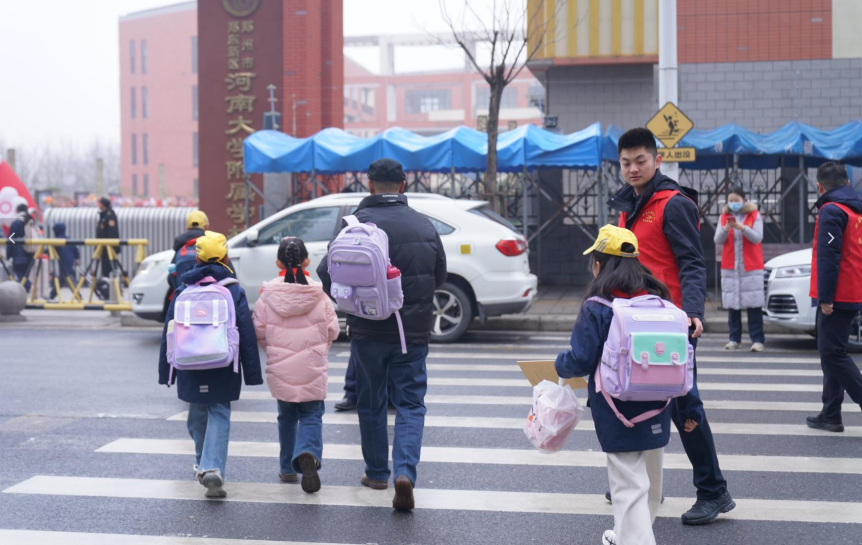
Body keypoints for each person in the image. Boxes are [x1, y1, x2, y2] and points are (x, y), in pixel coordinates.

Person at [607, 128, 734, 525]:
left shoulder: (672, 203)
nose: (632, 168)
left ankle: (713, 491)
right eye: (626, 163)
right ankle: (642, 484)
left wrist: (693, 311)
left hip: (670, 324)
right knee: (635, 399)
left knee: (684, 406)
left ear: (657, 160)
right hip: (635, 321)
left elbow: (692, 261)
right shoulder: (628, 204)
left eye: (640, 161)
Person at [317, 158, 447, 511]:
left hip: (367, 329)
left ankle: (376, 473)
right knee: (410, 404)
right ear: (403, 185)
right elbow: (439, 275)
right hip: (412, 332)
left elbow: (327, 274)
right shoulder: (424, 224)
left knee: (371, 402)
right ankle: (404, 473)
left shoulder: (353, 225)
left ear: (370, 185)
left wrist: (355, 303)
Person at [557, 225, 680, 545]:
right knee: (650, 481)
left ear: (599, 264)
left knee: (627, 484)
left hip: (617, 407)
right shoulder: (658, 300)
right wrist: (691, 406)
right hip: (659, 402)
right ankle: (626, 535)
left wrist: (558, 364)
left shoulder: (598, 306)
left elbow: (581, 360)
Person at [158, 230, 263, 498]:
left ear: (197, 258)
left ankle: (202, 464)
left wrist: (166, 372)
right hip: (223, 362)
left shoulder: (183, 289)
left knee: (197, 413)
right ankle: (211, 467)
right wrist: (252, 373)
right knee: (219, 410)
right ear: (226, 257)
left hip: (188, 362)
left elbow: (169, 332)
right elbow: (246, 332)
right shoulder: (233, 289)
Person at [253, 237, 340, 493]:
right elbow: (332, 329)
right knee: (311, 415)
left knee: (287, 418)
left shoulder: (267, 296)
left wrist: (274, 351)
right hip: (312, 364)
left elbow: (259, 331)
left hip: (281, 368)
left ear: (278, 263)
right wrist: (321, 348)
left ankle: (288, 469)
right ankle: (308, 451)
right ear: (307, 261)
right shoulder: (319, 294)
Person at [806, 161, 862, 433]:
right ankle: (831, 413)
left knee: (832, 353)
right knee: (831, 352)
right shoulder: (855, 210)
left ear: (819, 187)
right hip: (853, 288)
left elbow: (829, 256)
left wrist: (826, 297)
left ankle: (834, 411)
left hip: (839, 293)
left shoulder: (831, 210)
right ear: (848, 183)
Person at [714, 186, 766, 352]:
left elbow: (757, 237)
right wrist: (726, 229)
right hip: (731, 267)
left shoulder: (754, 215)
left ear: (744, 200)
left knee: (754, 306)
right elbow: (717, 240)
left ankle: (757, 340)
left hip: (751, 267)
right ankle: (734, 339)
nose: (733, 203)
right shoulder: (724, 216)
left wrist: (742, 228)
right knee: (733, 306)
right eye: (730, 200)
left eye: (736, 200)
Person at [169, 210, 209, 291]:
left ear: (187, 228)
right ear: (206, 227)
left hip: (184, 295)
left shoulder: (180, 245)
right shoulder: (212, 243)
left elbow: (171, 278)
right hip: (209, 295)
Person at [96, 197, 120, 299]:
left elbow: (112, 233)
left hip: (109, 249)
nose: (98, 205)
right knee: (105, 272)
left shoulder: (109, 216)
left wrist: (111, 248)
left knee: (110, 271)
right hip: (104, 249)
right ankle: (107, 293)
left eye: (99, 203)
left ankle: (113, 293)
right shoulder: (103, 215)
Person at [6, 204, 35, 290]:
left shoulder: (17, 223)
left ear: (17, 211)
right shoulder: (30, 221)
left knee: (20, 274)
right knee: (25, 275)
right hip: (31, 252)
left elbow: (11, 239)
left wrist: (8, 254)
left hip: (19, 254)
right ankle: (26, 291)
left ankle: (30, 287)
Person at [51, 222, 80, 295]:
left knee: (68, 278)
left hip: (63, 263)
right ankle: (52, 295)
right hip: (70, 261)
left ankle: (78, 296)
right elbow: (75, 249)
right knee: (62, 279)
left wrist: (42, 252)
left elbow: (50, 249)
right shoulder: (69, 239)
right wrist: (77, 258)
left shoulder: (56, 240)